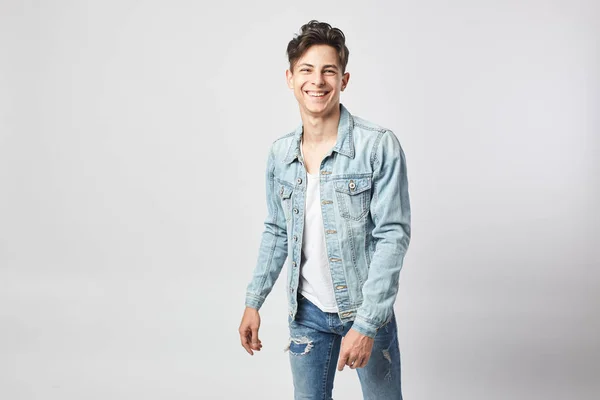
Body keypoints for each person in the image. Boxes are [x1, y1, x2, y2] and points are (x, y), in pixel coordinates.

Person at [238, 20, 411, 400]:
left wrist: (366, 324)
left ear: (344, 80)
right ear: (290, 78)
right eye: (307, 70)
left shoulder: (378, 147)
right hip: (307, 312)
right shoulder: (280, 155)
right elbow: (277, 231)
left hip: (366, 310)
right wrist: (254, 301)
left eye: (328, 71)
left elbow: (393, 237)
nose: (317, 81)